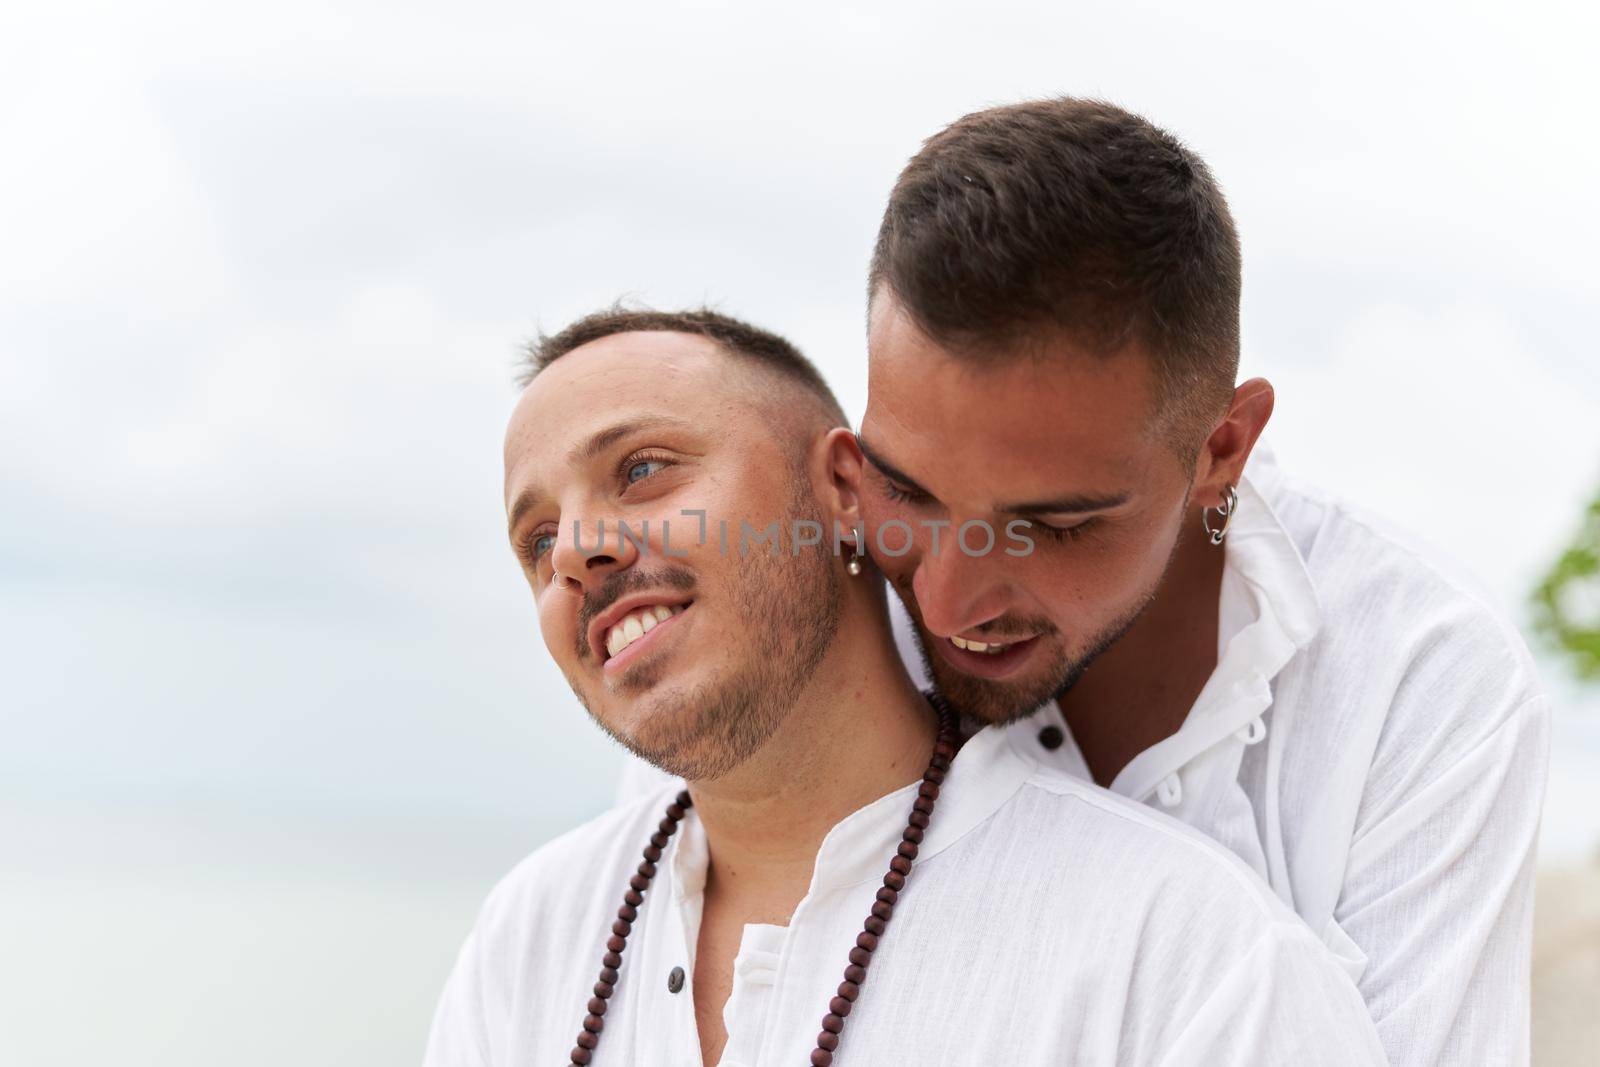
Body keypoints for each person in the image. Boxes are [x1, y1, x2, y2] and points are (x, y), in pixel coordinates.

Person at [620, 98, 1551, 1065]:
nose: (943, 602)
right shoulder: (795, 633)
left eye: (1052, 526)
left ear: (1220, 449)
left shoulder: (1426, 682)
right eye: (907, 490)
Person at [423, 309, 1385, 1066]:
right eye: (537, 540)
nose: (576, 553)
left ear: (844, 490)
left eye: (642, 469)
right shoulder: (535, 933)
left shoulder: (1182, 952)